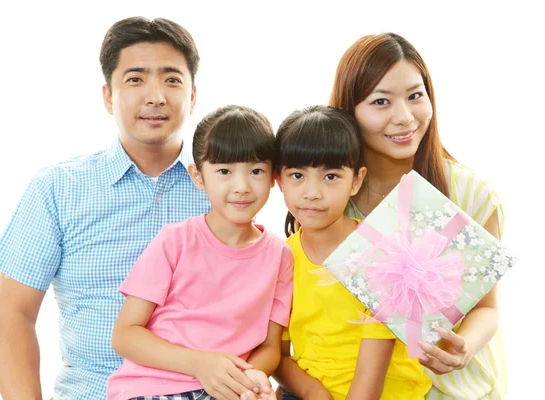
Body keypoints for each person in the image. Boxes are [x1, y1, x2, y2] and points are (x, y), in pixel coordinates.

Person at [0, 17, 211, 399]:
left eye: (172, 79)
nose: (155, 95)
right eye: (136, 79)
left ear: (192, 96)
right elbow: (14, 315)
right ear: (108, 95)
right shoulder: (58, 189)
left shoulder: (225, 189)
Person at [329, 33, 505, 399]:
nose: (405, 117)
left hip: (453, 388)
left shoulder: (471, 193)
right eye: (381, 101)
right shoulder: (330, 196)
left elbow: (487, 307)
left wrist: (463, 348)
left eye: (415, 95)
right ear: (349, 111)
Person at [106, 104, 293, 400]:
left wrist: (249, 379)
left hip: (227, 390)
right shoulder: (175, 241)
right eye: (224, 171)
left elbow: (270, 347)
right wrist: (200, 364)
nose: (242, 186)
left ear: (274, 177)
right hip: (152, 389)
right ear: (199, 177)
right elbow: (125, 334)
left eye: (256, 170)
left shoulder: (280, 256)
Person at [272, 105, 431, 399]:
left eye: (330, 177)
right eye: (297, 175)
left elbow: (370, 380)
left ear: (356, 180)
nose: (312, 192)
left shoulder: (382, 252)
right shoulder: (280, 258)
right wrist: (312, 392)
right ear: (278, 180)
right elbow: (276, 354)